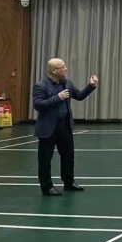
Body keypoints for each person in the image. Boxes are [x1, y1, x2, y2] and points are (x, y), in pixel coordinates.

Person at [32, 58, 98, 196]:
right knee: (45, 159)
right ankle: (47, 187)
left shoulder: (67, 83)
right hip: (48, 127)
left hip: (65, 125)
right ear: (53, 70)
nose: (65, 69)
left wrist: (91, 86)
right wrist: (58, 98)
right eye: (62, 67)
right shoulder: (40, 86)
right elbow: (38, 105)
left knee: (68, 155)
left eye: (65, 66)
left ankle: (69, 182)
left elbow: (79, 96)